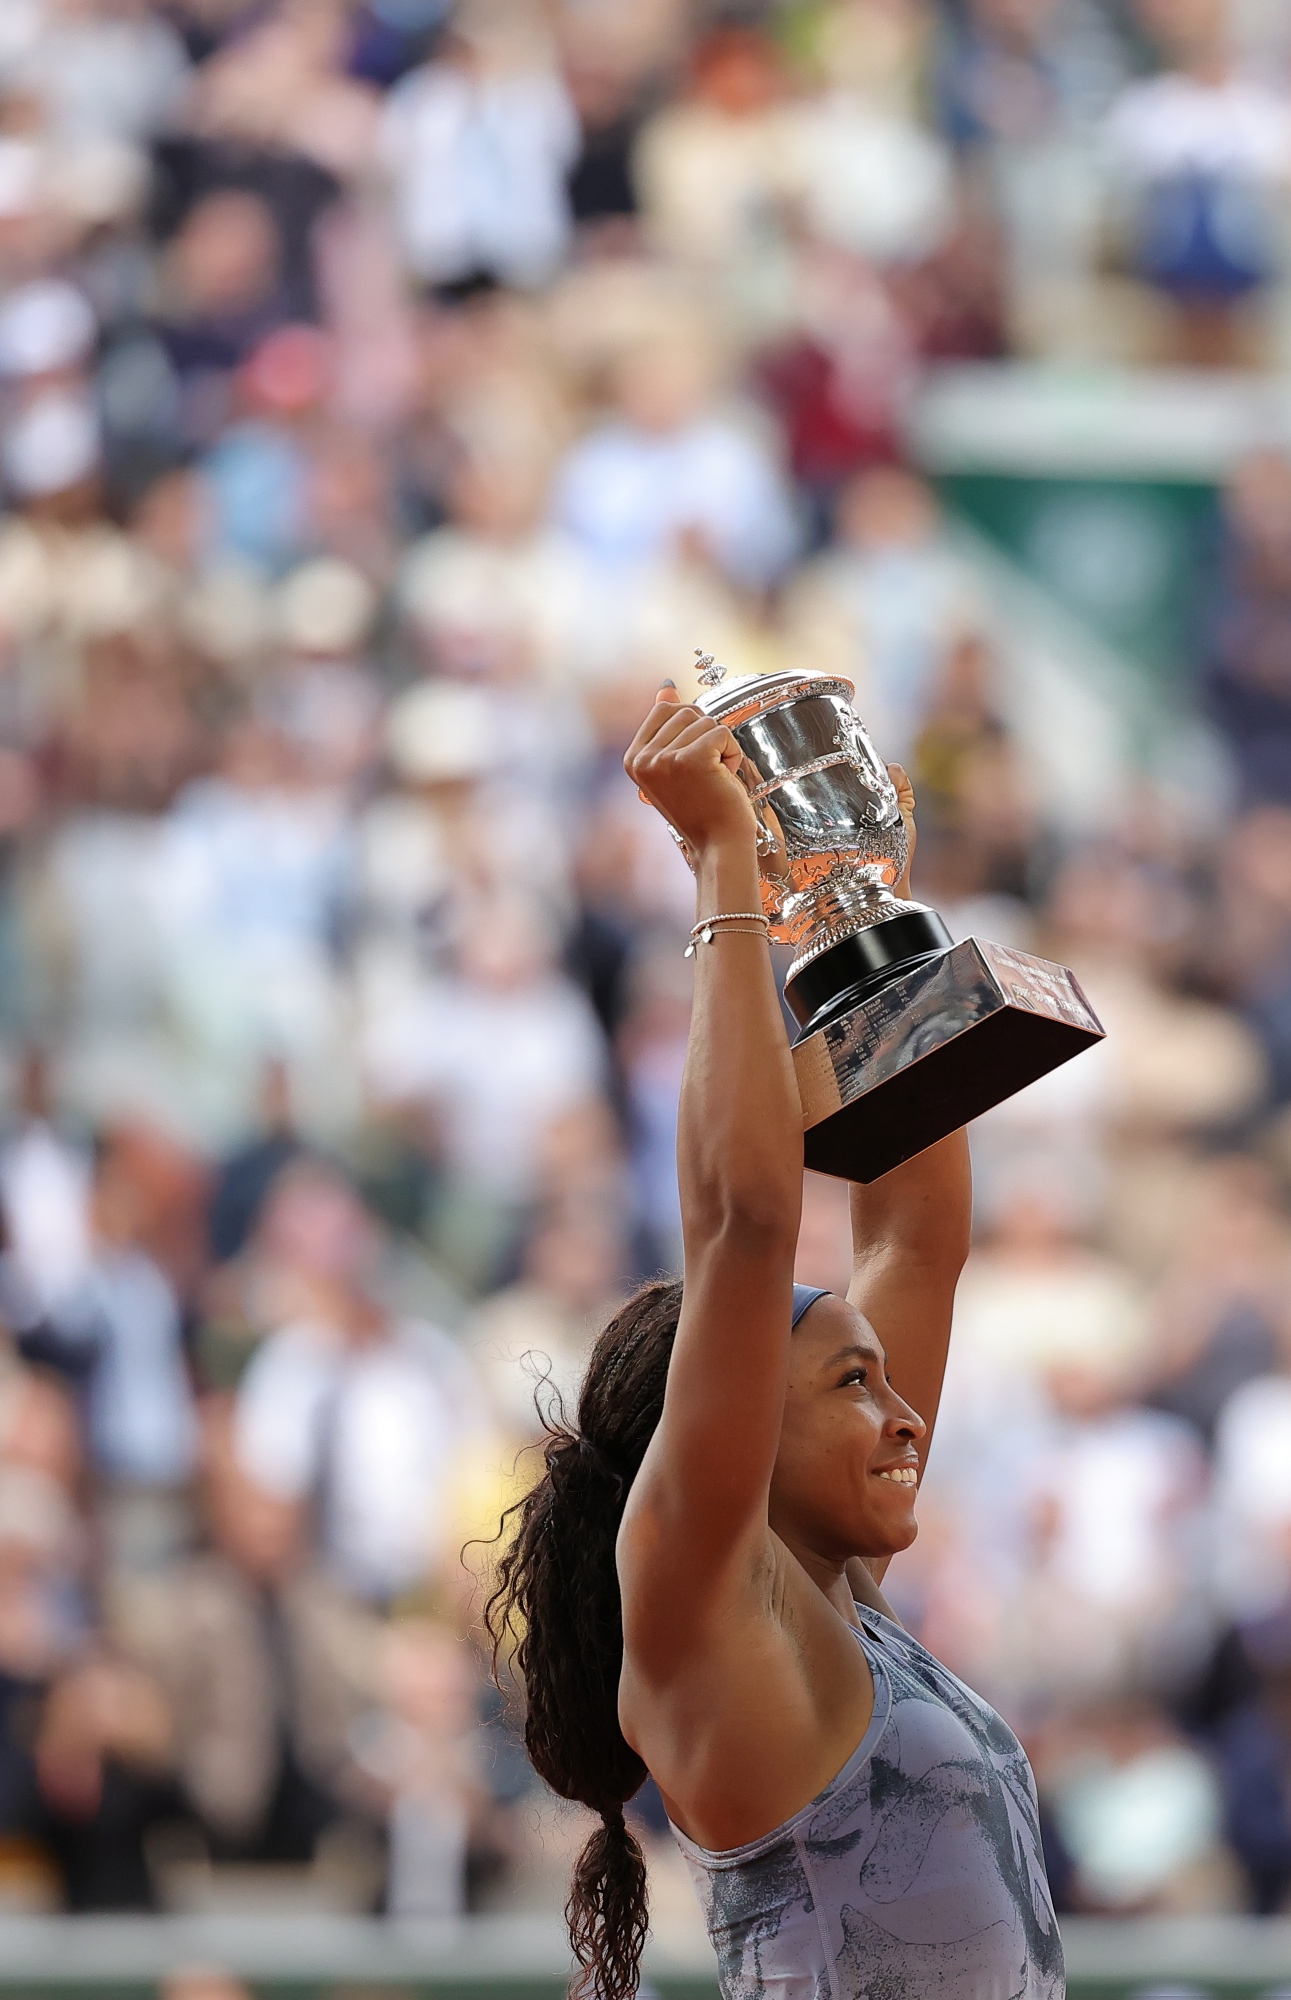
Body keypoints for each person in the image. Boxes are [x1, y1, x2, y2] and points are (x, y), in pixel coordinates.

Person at [488, 686, 1062, 1999]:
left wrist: (855, 908)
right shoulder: (697, 1596)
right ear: (731, 1418)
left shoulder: (831, 1604)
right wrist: (725, 869)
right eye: (854, 1385)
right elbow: (746, 1223)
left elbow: (915, 1233)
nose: (908, 1413)